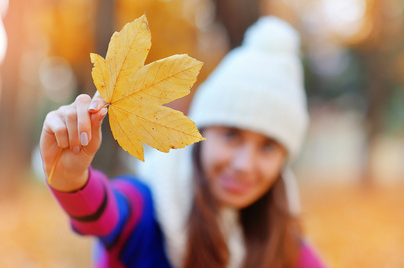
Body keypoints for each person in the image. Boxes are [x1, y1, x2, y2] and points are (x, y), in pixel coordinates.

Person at [40, 16, 327, 268]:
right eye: (231, 135)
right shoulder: (147, 205)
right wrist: (73, 180)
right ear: (200, 132)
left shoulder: (279, 239)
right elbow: (106, 214)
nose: (244, 164)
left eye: (267, 146)